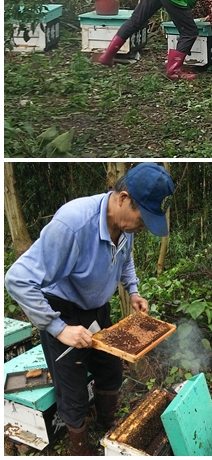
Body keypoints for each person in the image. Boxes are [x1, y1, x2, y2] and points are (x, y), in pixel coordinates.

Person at [5, 162, 174, 456]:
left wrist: (132, 290)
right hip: (63, 313)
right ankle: (80, 449)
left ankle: (109, 425)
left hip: (98, 311)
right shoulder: (72, 225)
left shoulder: (125, 225)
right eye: (142, 217)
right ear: (123, 198)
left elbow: (125, 257)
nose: (143, 226)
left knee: (110, 372)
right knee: (72, 390)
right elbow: (17, 280)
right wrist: (59, 329)